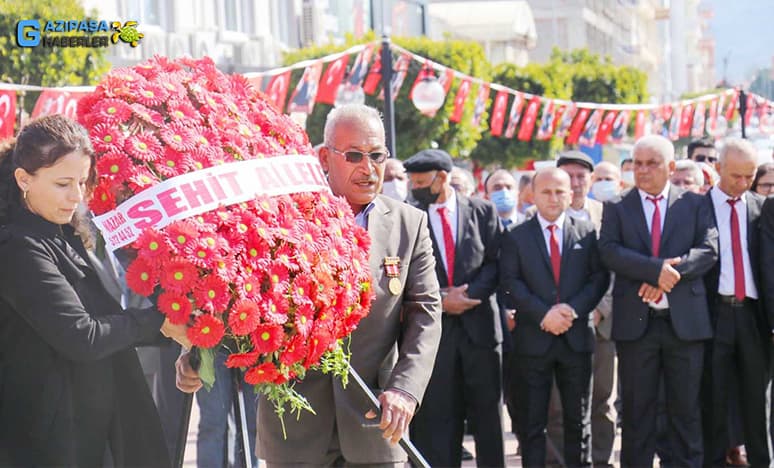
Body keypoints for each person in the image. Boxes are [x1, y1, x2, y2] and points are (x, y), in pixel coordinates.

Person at [177, 104, 443, 466]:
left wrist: (405, 390)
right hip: (294, 430)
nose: (368, 168)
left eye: (377, 155)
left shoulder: (408, 225)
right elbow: (236, 294)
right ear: (324, 156)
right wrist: (196, 353)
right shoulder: (281, 217)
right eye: (354, 156)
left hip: (374, 420)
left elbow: (425, 313)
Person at [0, 114, 188, 467]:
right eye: (62, 184)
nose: (76, 197)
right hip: (43, 444)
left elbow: (108, 321)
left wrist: (178, 337)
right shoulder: (18, 248)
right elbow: (81, 335)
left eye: (82, 182)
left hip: (83, 433)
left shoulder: (61, 235)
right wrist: (158, 323)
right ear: (23, 179)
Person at [599, 134, 718, 468]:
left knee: (686, 412)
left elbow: (708, 250)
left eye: (651, 164)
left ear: (670, 167)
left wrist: (669, 277)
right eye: (637, 163)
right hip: (638, 326)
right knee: (638, 414)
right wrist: (655, 272)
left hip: (685, 326)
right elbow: (609, 250)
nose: (643, 170)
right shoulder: (618, 207)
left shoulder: (694, 203)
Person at [500, 167, 609, 467]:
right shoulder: (516, 235)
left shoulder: (586, 232)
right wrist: (543, 314)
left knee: (578, 421)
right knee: (533, 423)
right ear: (532, 195)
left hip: (576, 338)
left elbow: (598, 279)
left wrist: (571, 311)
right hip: (533, 339)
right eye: (545, 192)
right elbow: (511, 281)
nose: (553, 198)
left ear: (571, 195)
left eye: (560, 191)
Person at [404, 149, 505, 468]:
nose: (415, 188)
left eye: (421, 182)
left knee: (488, 419)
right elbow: (407, 270)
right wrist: (442, 300)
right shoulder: (410, 215)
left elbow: (496, 262)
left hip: (481, 334)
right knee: (439, 421)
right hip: (436, 337)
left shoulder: (482, 211)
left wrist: (470, 294)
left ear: (443, 178)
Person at [700, 138, 769, 468]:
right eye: (735, 176)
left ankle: (761, 461)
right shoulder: (697, 207)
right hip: (713, 314)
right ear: (717, 169)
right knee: (713, 396)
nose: (742, 184)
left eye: (749, 176)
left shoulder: (761, 208)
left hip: (753, 317)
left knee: (757, 399)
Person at [544, 151, 603, 467]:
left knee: (600, 403)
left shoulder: (608, 214)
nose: (576, 183)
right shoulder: (540, 216)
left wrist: (596, 309)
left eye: (582, 176)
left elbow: (608, 271)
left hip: (602, 322)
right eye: (570, 176)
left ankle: (600, 461)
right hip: (558, 326)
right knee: (559, 407)